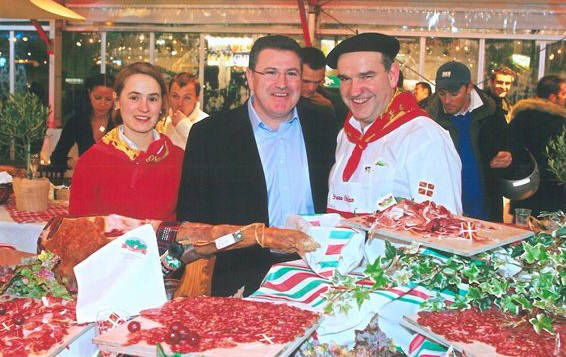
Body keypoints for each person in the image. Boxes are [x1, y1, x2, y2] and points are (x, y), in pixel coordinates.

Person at [177, 35, 337, 297]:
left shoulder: (323, 123)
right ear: (251, 78)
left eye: (291, 73)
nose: (282, 84)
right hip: (241, 282)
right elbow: (192, 222)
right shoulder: (210, 135)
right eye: (271, 72)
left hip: (316, 275)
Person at [325, 32, 462, 217]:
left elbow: (442, 229)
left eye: (366, 76)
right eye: (345, 79)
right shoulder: (346, 134)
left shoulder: (425, 138)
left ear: (392, 75)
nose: (354, 90)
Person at [69, 62, 184, 221]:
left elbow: (190, 230)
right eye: (134, 97)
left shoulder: (180, 160)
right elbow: (77, 235)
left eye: (152, 98)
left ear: (162, 104)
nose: (144, 108)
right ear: (117, 100)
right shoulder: (90, 163)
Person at [427, 61, 512, 222]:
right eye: (442, 93)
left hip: (486, 210)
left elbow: (511, 151)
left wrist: (508, 157)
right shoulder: (428, 119)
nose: (447, 100)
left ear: (469, 88)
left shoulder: (493, 115)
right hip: (444, 214)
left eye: (454, 94)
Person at [509, 75, 566, 215]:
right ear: (553, 97)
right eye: (564, 93)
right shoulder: (560, 122)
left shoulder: (520, 116)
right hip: (554, 195)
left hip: (524, 191)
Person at [50, 74, 115, 169]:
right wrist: (71, 162)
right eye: (98, 98)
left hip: (117, 181)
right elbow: (56, 158)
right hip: (86, 180)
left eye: (108, 99)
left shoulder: (121, 123)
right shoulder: (77, 122)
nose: (102, 104)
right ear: (89, 94)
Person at [156, 72, 208, 149]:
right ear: (168, 96)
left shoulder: (207, 123)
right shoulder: (162, 124)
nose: (180, 103)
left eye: (187, 98)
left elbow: (209, 152)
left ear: (197, 98)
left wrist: (183, 126)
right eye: (175, 96)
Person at [300, 46, 349, 127]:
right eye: (306, 81)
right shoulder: (280, 98)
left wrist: (329, 109)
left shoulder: (335, 102)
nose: (311, 88)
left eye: (317, 82)